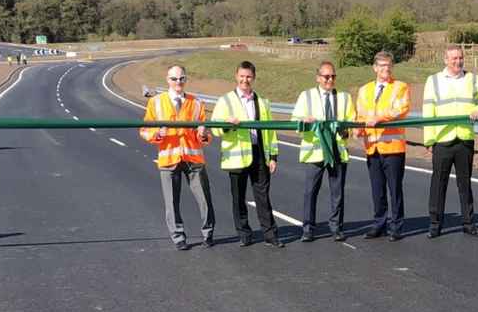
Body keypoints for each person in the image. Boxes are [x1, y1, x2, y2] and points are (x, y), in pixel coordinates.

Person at [140, 65, 215, 251]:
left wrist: (204, 134)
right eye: (174, 79)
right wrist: (158, 133)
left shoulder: (196, 103)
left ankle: (208, 233)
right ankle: (178, 237)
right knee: (172, 202)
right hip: (169, 159)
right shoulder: (156, 103)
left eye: (181, 78)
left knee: (204, 198)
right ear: (167, 80)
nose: (178, 82)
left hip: (193, 158)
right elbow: (144, 130)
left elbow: (205, 136)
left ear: (186, 79)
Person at [211, 60, 284, 248]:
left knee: (263, 196)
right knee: (239, 198)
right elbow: (215, 129)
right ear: (236, 76)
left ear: (254, 78)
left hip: (259, 154)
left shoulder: (262, 101)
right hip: (236, 156)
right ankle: (244, 233)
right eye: (242, 76)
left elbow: (270, 131)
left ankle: (270, 234)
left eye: (249, 76)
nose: (245, 80)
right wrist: (226, 124)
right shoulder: (225, 100)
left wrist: (273, 156)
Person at [422, 44, 478, 238]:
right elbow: (428, 111)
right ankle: (435, 224)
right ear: (446, 60)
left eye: (460, 58)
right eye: (454, 59)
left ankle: (468, 223)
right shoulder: (433, 81)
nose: (458, 61)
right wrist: (429, 140)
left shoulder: (474, 79)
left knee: (464, 183)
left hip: (464, 139)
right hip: (442, 139)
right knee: (438, 183)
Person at [292, 60, 356, 242]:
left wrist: (345, 129)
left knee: (338, 192)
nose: (330, 80)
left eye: (333, 76)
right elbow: (295, 121)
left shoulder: (344, 98)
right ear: (318, 78)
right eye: (326, 76)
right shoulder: (306, 96)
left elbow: (351, 121)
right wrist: (306, 120)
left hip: (337, 151)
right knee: (310, 191)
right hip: (315, 152)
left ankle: (336, 227)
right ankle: (308, 228)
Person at [356, 51, 411, 241]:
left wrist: (379, 118)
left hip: (393, 146)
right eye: (382, 66)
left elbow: (399, 110)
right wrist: (359, 129)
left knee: (394, 188)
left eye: (388, 65)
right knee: (377, 189)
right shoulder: (364, 90)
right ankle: (379, 223)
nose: (386, 69)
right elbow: (361, 115)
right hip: (372, 146)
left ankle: (396, 226)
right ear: (375, 68)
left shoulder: (400, 87)